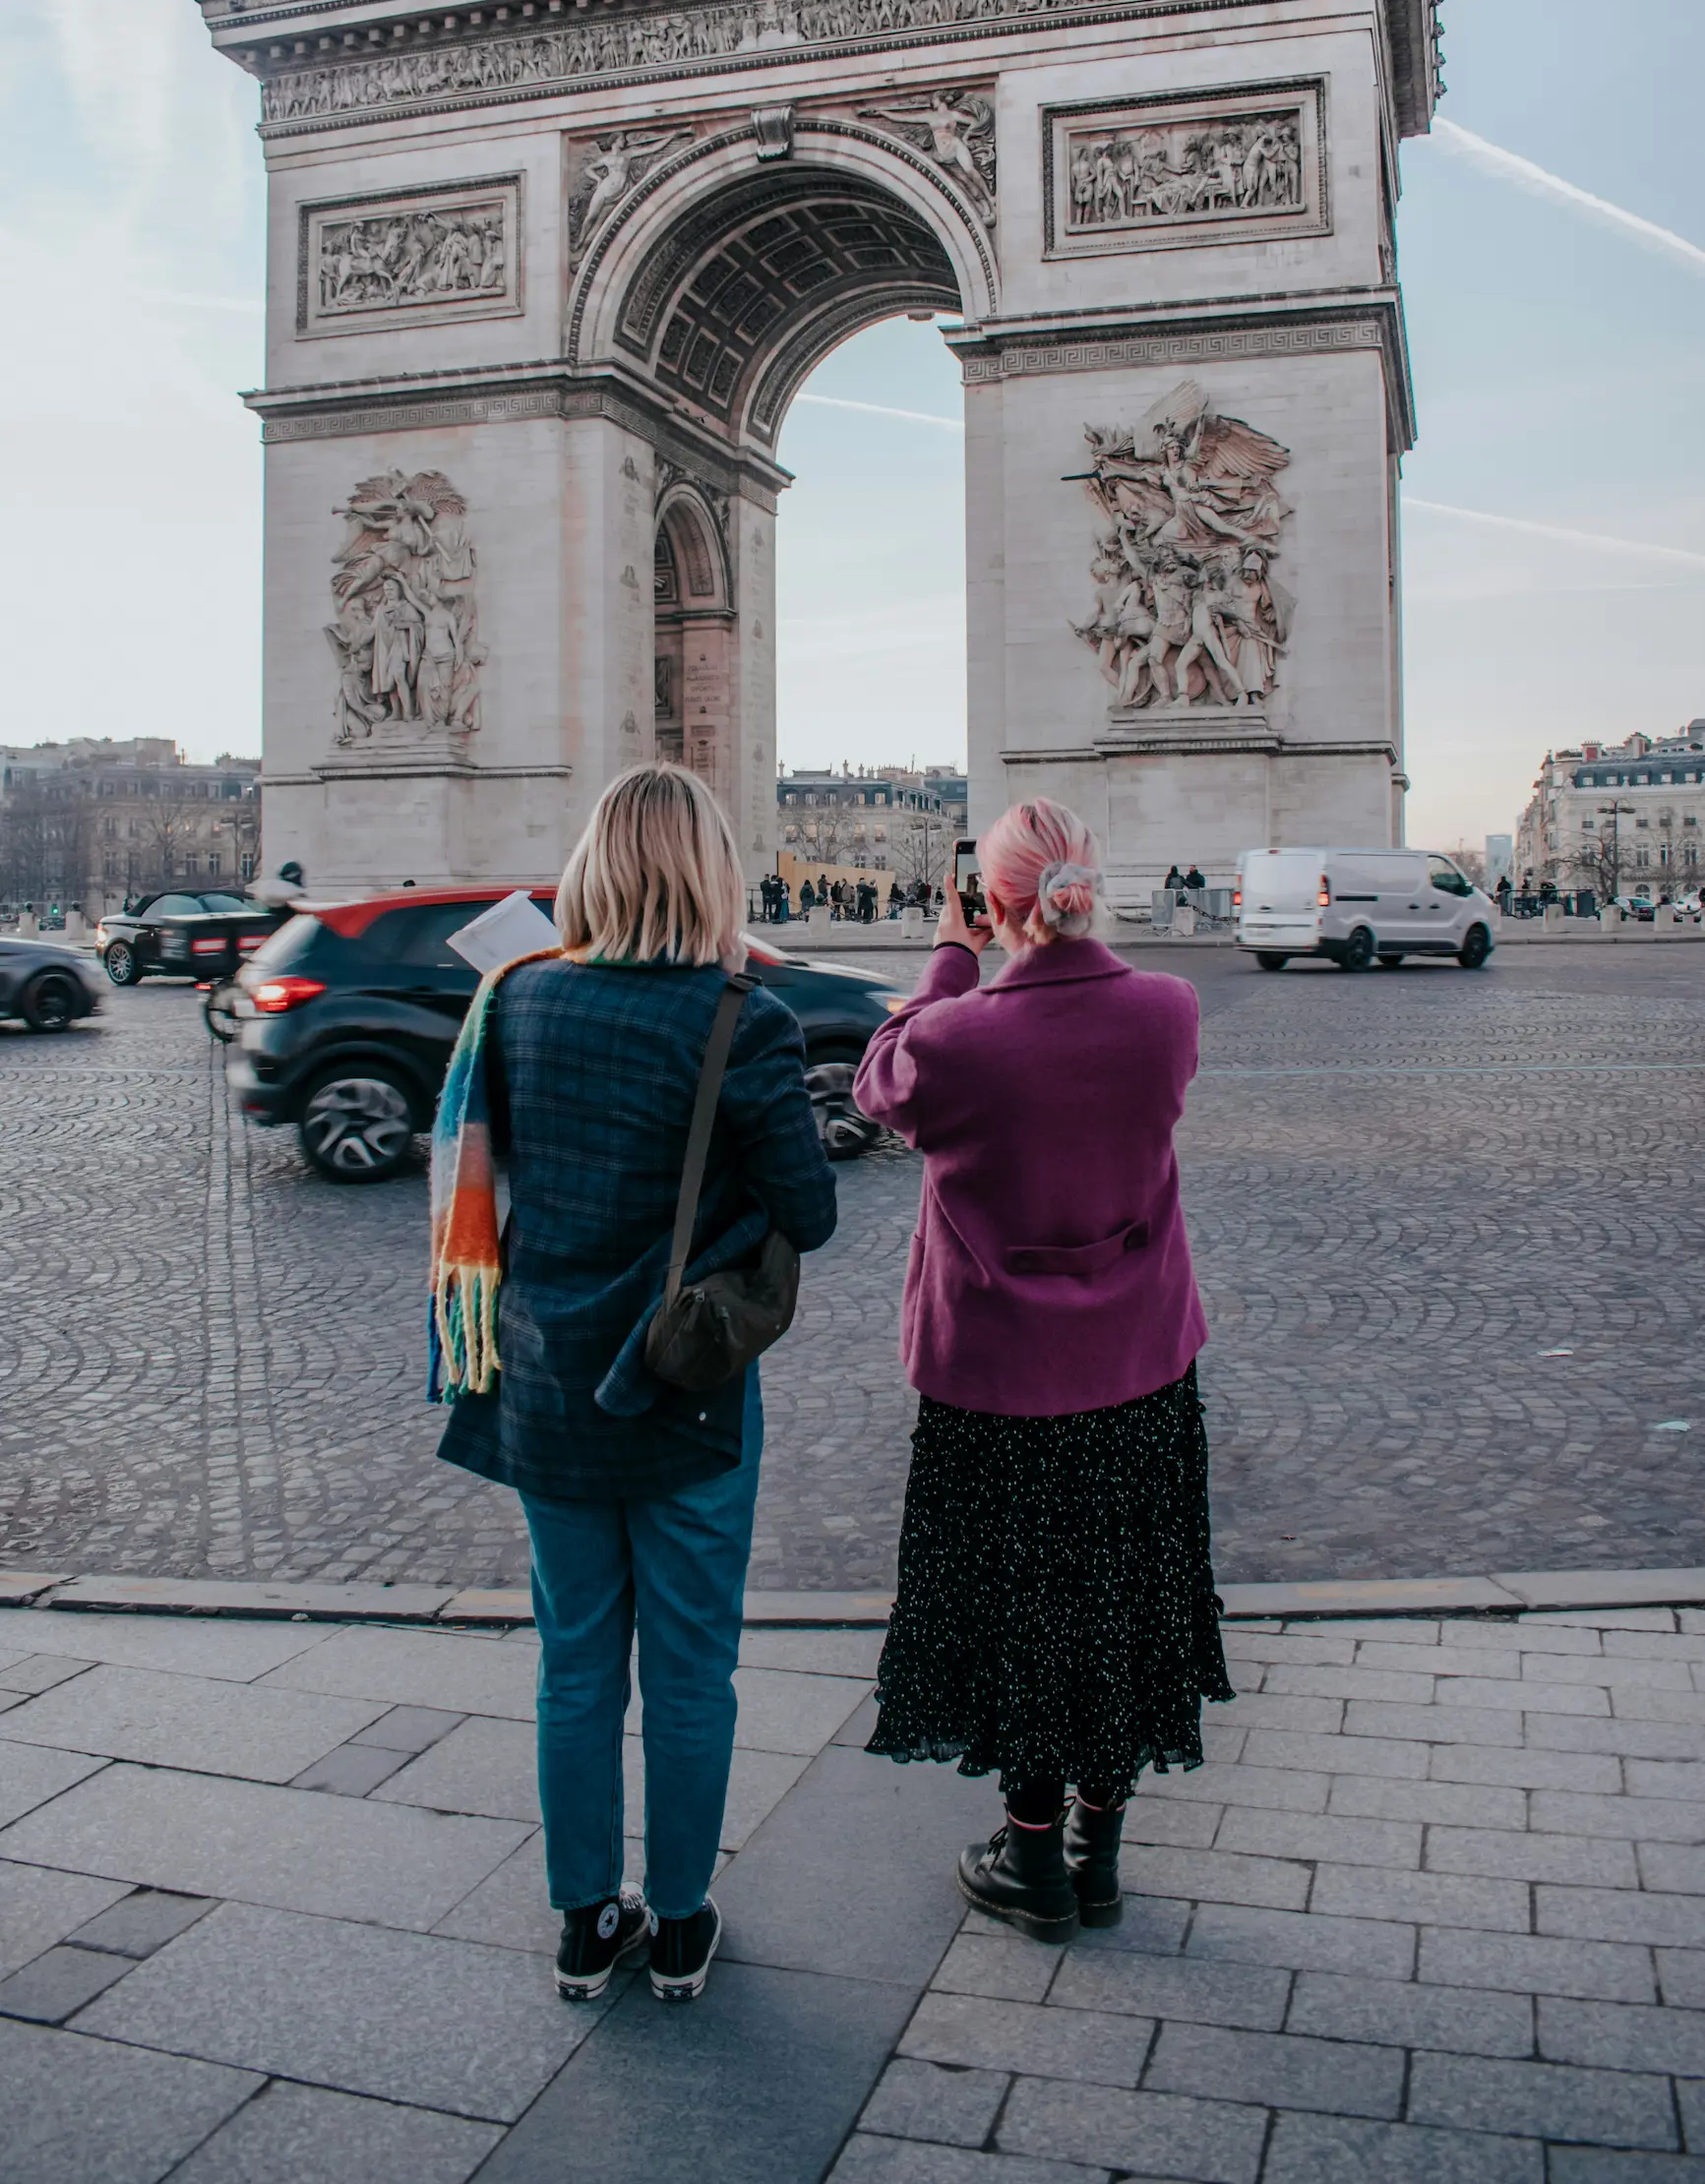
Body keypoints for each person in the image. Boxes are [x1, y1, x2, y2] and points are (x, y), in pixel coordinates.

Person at [433, 765, 837, 2004]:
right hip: (684, 1386)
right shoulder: (743, 1018)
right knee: (689, 1669)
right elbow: (811, 1212)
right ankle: (675, 1921)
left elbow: (515, 1164)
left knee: (573, 1663)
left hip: (545, 1381)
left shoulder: (515, 998)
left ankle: (580, 1918)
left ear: (592, 867)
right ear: (713, 872)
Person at [854, 797, 1232, 1942]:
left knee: (1018, 1609)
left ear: (992, 895)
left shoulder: (952, 1039)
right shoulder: (1168, 1011)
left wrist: (949, 954)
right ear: (1089, 882)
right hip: (1138, 1363)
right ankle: (1094, 1852)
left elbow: (878, 1078)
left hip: (996, 1377)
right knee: (1119, 1601)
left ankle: (1028, 1858)